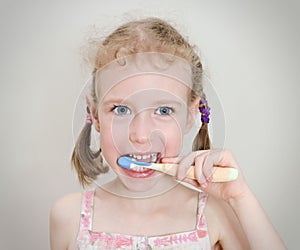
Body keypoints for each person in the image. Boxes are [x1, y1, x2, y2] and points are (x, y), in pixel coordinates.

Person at [50, 17, 286, 250]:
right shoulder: (69, 217)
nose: (141, 135)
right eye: (120, 109)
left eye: (163, 110)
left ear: (190, 115)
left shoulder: (216, 214)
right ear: (95, 114)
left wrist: (240, 198)